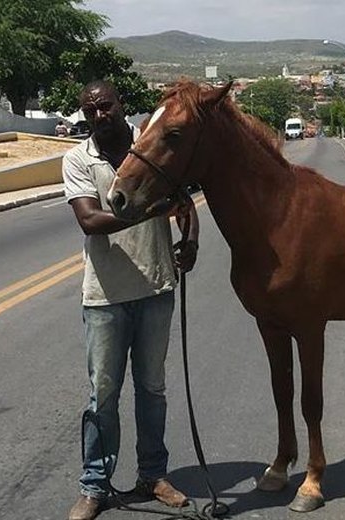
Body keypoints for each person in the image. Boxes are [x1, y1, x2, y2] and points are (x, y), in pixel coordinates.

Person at [63, 80, 200, 520]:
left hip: (157, 289)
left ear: (120, 106)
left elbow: (185, 202)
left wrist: (190, 240)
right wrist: (153, 211)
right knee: (102, 395)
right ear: (85, 117)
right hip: (104, 297)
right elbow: (89, 220)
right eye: (91, 110)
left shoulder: (149, 147)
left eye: (106, 105)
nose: (100, 114)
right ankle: (94, 486)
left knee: (152, 390)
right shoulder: (77, 159)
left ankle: (153, 476)